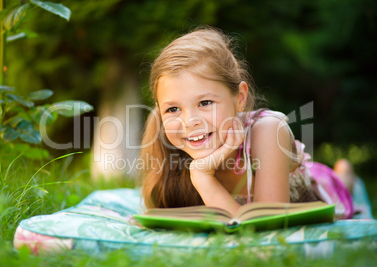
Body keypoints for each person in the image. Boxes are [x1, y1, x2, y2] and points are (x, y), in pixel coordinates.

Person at [139, 26, 354, 219]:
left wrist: (202, 176)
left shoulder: (268, 130)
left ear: (240, 98)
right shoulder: (168, 147)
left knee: (342, 185)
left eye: (205, 102)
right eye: (173, 109)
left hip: (318, 188)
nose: (189, 121)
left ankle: (345, 173)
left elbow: (263, 227)